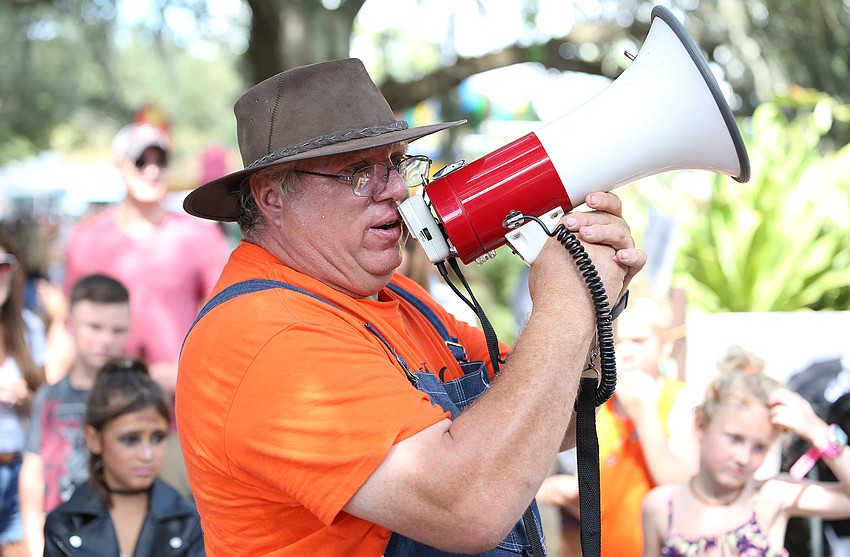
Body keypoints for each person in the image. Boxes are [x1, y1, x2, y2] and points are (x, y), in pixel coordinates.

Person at [176, 57, 645, 556]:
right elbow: (468, 506)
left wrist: (595, 302)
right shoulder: (262, 337)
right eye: (359, 172)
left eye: (396, 164)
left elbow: (550, 421)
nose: (398, 189)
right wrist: (564, 307)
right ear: (271, 197)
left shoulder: (394, 297)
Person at [61, 120, 230, 498]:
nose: (153, 170)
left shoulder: (199, 234)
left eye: (161, 160)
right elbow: (67, 325)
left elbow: (225, 319)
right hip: (105, 417)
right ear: (120, 165)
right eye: (141, 161)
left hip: (178, 421)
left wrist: (184, 367)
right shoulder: (86, 237)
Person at [535, 279, 701, 557]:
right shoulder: (600, 407)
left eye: (639, 341)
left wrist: (645, 415)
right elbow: (600, 503)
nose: (626, 352)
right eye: (617, 342)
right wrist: (566, 494)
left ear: (665, 346)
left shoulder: (679, 400)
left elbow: (683, 487)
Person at [641, 368, 850, 556]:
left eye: (759, 447)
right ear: (701, 426)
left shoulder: (772, 496)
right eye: (734, 439)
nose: (743, 458)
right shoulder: (660, 508)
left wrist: (819, 432)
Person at [43, 357, 204, 556]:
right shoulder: (66, 523)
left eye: (158, 438)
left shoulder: (188, 522)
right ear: (94, 439)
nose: (147, 454)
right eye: (130, 440)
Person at [19, 274, 130, 557]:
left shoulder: (136, 398)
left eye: (118, 330)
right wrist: (34, 538)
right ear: (69, 325)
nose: (106, 340)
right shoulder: (49, 396)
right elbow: (33, 471)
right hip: (59, 538)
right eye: (94, 327)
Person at [0, 236, 47, 557]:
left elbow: (44, 404)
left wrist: (25, 397)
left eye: (4, 266)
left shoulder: (29, 327)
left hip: (20, 467)